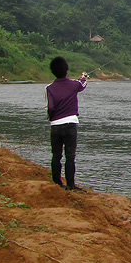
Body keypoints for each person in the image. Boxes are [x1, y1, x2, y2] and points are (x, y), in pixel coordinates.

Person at [45, 56, 88, 191]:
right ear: (67, 70)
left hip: (55, 125)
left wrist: (52, 118)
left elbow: (50, 107)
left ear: (53, 71)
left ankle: (57, 183)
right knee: (70, 156)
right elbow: (82, 84)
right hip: (70, 123)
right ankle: (71, 185)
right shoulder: (74, 85)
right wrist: (84, 77)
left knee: (56, 155)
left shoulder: (49, 88)